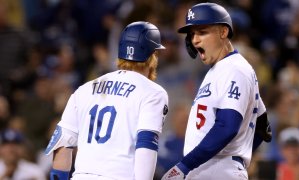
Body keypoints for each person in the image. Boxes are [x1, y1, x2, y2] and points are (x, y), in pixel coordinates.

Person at [45, 21, 169, 180]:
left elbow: (62, 146)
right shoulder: (153, 92)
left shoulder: (84, 89)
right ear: (153, 56)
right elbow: (146, 147)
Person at [161, 3, 272, 180]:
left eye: (202, 32)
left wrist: (185, 165)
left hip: (218, 168)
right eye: (192, 35)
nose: (195, 40)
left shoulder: (235, 68)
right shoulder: (219, 70)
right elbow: (263, 127)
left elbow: (227, 126)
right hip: (208, 167)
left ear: (223, 32)